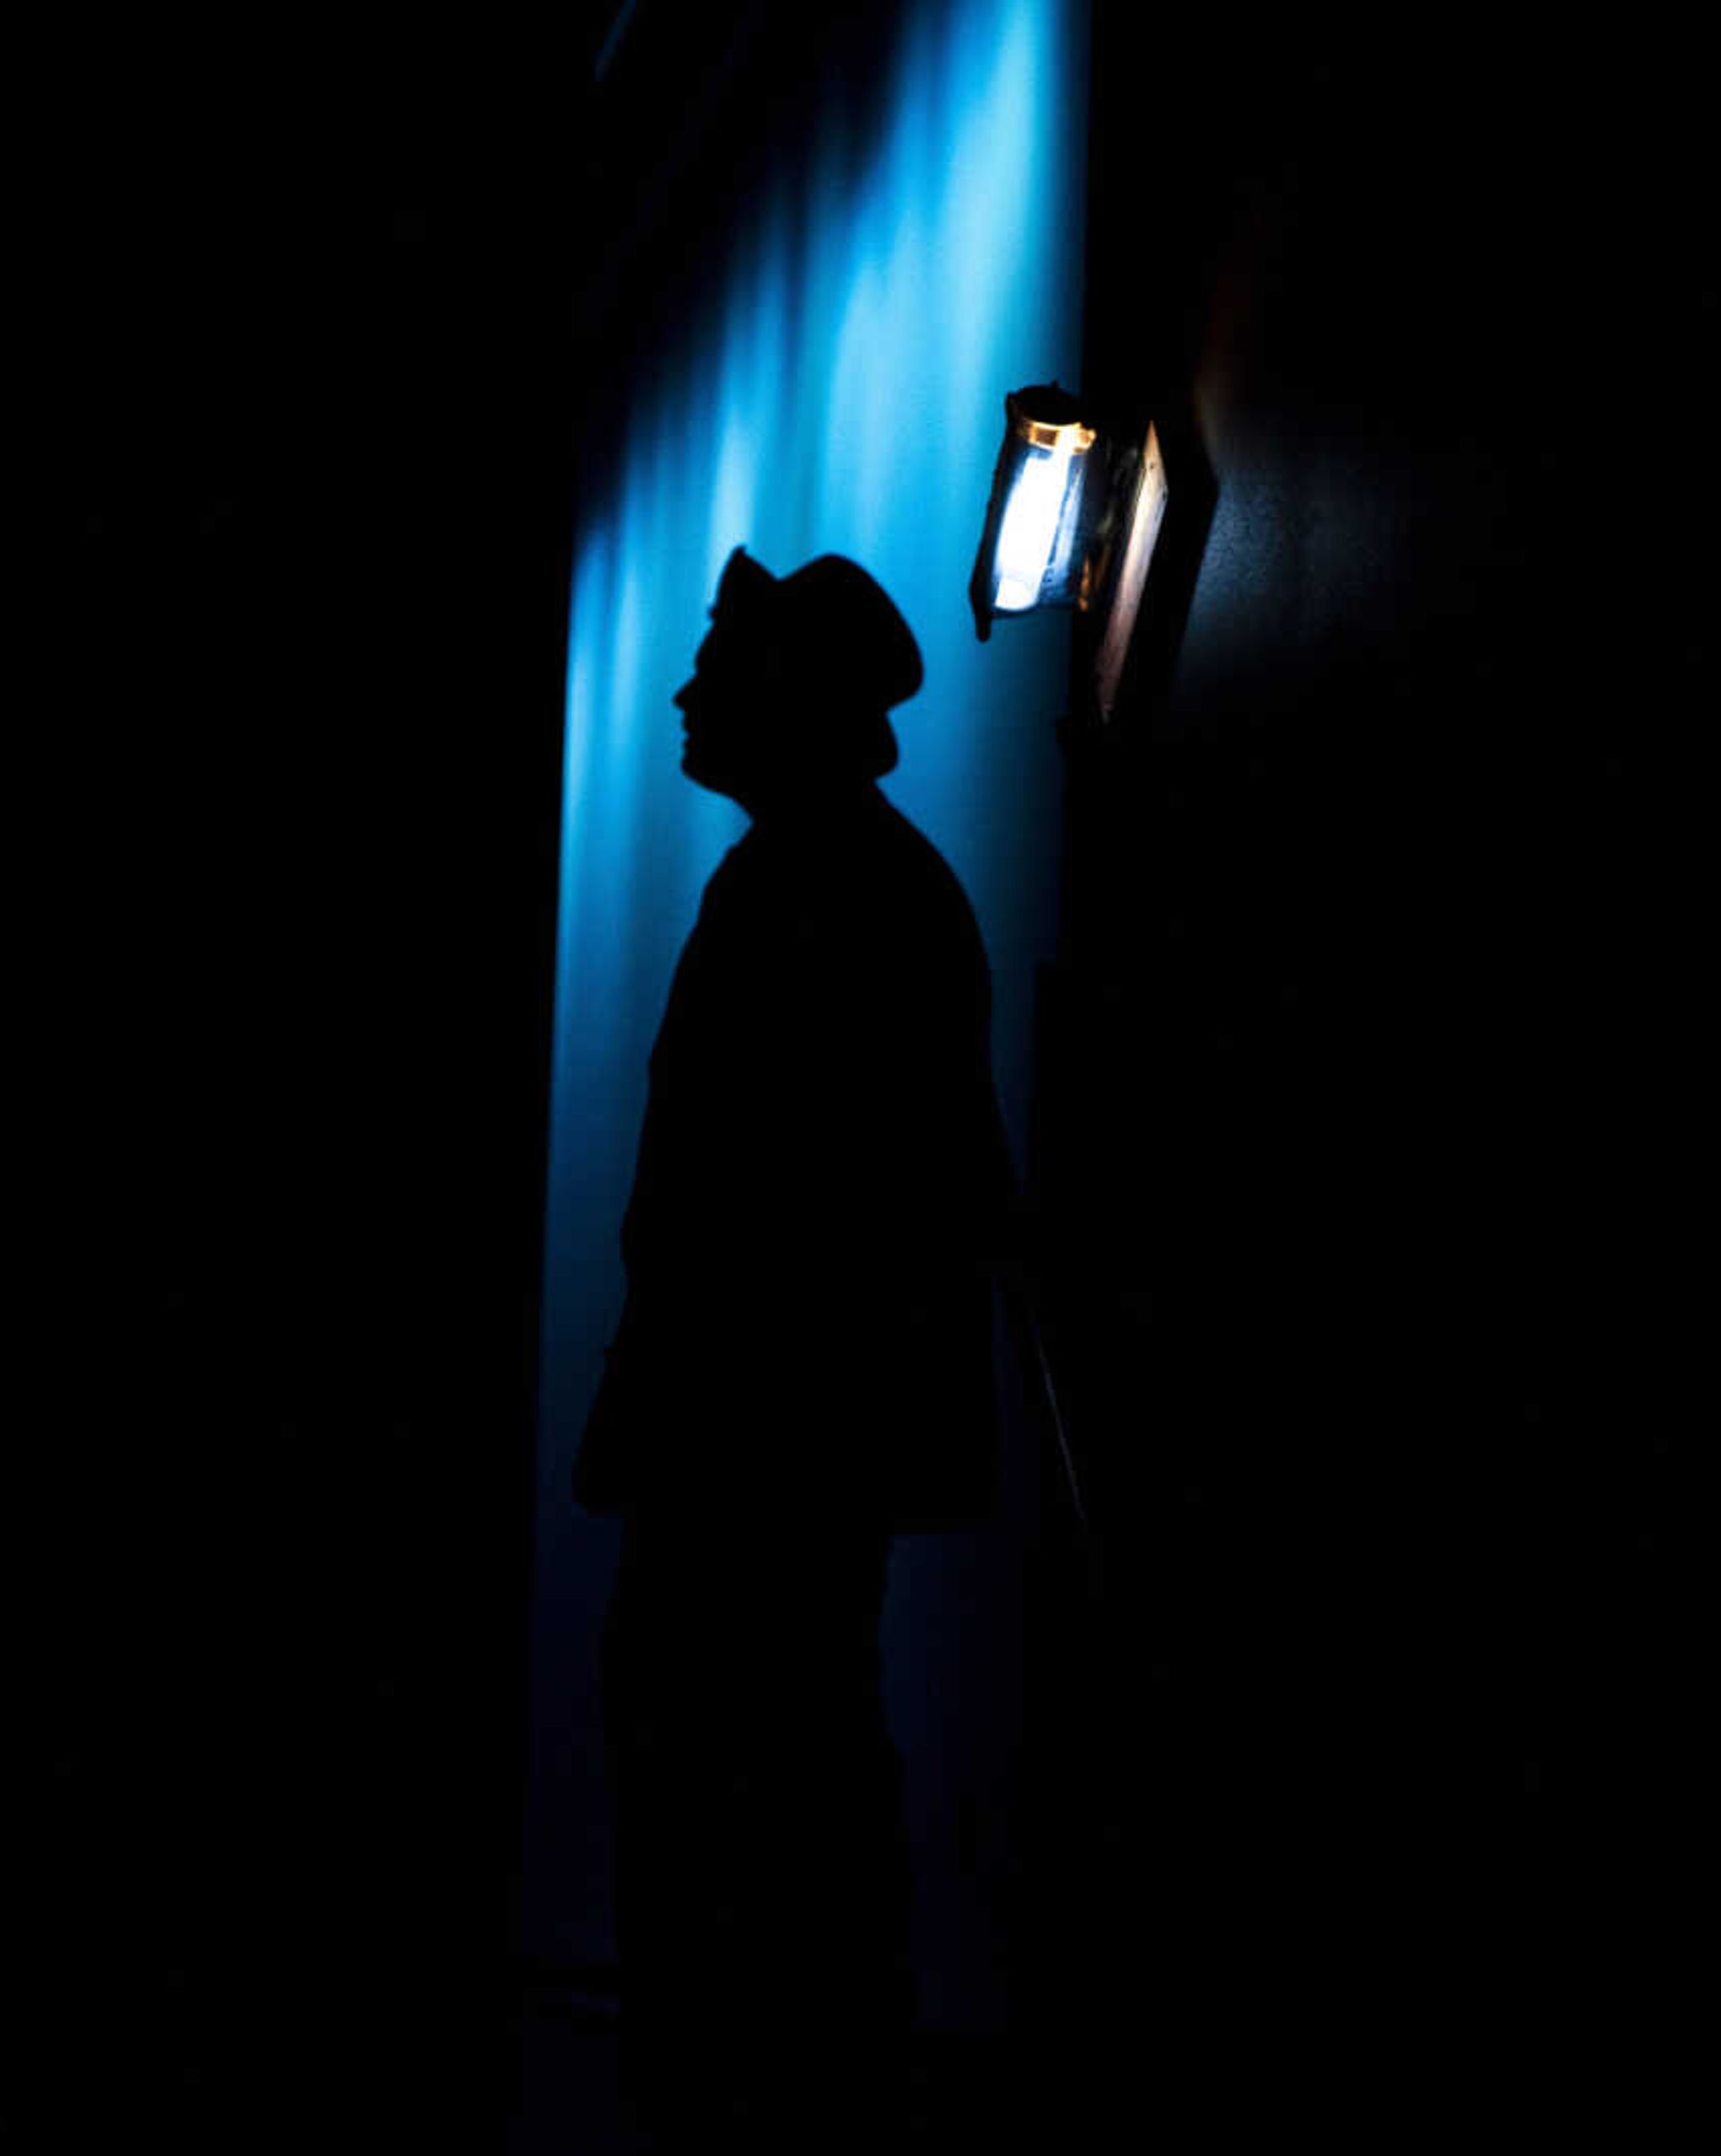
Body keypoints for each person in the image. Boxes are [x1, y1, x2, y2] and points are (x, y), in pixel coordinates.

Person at [575, 546, 1016, 2149]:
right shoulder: (861, 885)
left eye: (722, 661)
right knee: (794, 1768)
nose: (689, 690)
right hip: (784, 1447)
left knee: (739, 1783)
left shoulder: (816, 893)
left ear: (787, 695)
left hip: (750, 1449)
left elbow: (764, 1222)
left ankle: (747, 2112)